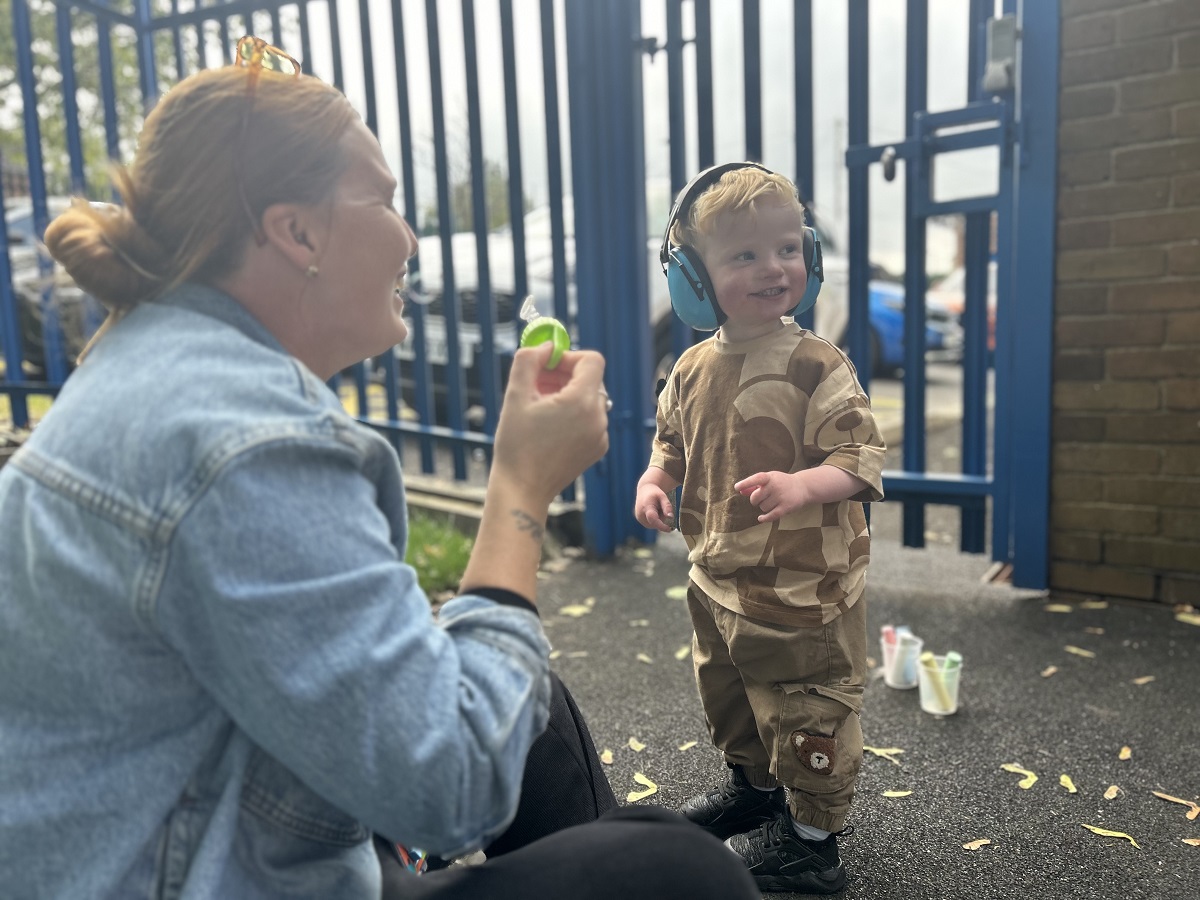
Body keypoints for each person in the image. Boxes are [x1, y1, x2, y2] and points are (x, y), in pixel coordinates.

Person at [0, 39, 760, 900]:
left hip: (181, 825)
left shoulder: (160, 361)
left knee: (528, 707)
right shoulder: (247, 440)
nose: (408, 239)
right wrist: (520, 489)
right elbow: (454, 784)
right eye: (386, 201)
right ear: (295, 231)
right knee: (678, 872)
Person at [634, 162, 886, 894]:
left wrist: (803, 484)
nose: (773, 268)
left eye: (786, 249)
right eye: (744, 255)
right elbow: (672, 441)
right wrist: (657, 480)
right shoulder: (688, 367)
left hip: (803, 593)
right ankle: (753, 791)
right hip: (717, 582)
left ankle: (812, 845)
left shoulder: (816, 362)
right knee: (734, 696)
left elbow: (861, 456)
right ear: (693, 277)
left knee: (810, 711)